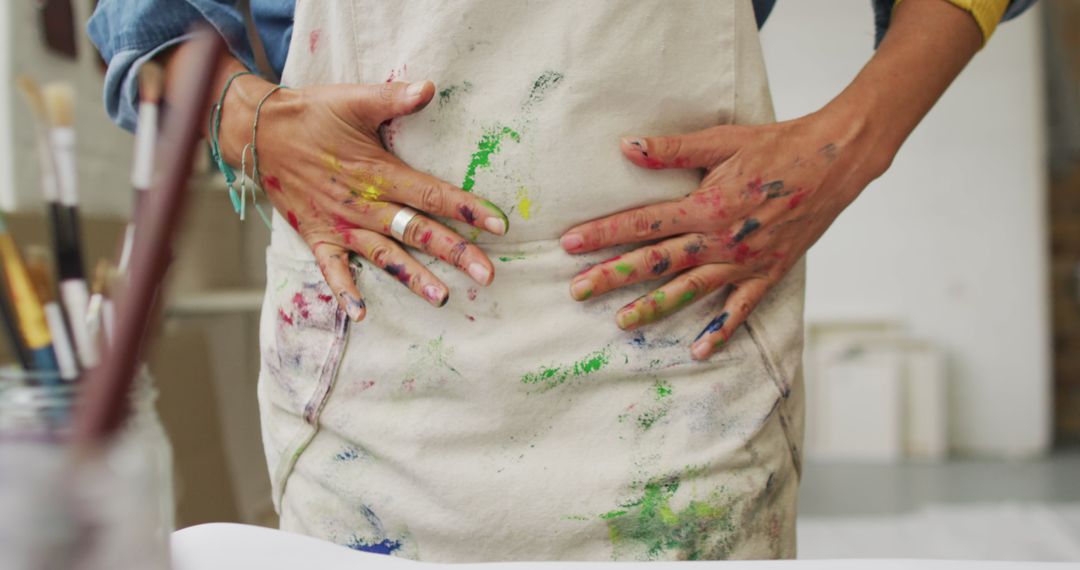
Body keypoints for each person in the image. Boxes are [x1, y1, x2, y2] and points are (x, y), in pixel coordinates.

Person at [89, 0, 1034, 561]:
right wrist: (240, 116)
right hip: (378, 340)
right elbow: (145, 23)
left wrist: (854, 141)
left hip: (677, 346)